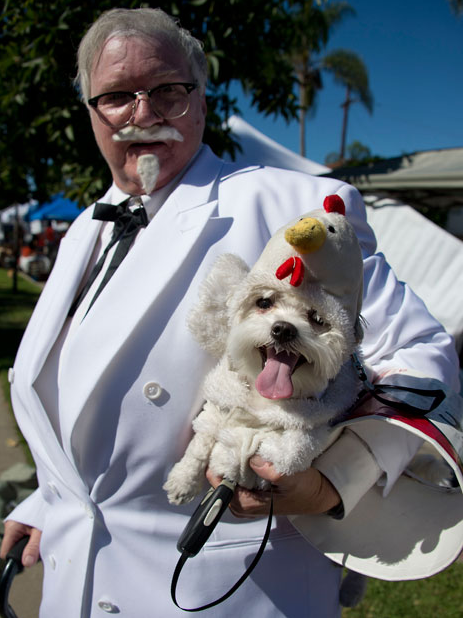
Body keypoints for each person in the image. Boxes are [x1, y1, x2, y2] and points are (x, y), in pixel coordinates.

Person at [0, 8, 460, 617]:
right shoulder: (87, 227)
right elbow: (77, 400)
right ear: (89, 109)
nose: (142, 114)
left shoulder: (291, 204)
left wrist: (330, 484)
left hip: (230, 590)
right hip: (76, 578)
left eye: (167, 91)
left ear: (203, 100)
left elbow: (423, 356)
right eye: (115, 97)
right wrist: (52, 502)